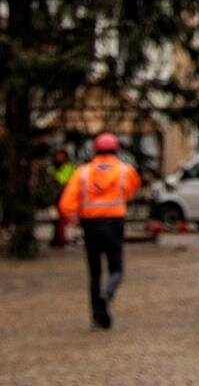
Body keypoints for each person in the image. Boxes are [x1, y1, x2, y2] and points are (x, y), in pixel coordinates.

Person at [58, 132, 141, 330]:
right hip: (114, 223)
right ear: (116, 149)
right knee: (116, 269)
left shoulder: (83, 172)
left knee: (94, 272)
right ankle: (108, 293)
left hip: (90, 225)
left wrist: (72, 215)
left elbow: (66, 202)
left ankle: (97, 316)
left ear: (96, 150)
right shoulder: (125, 170)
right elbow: (131, 189)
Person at [48, 147, 77, 249]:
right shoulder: (50, 169)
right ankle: (56, 238)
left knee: (62, 221)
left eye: (61, 156)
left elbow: (73, 181)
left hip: (65, 196)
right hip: (53, 197)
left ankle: (61, 240)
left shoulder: (70, 167)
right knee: (54, 219)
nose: (59, 158)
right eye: (58, 156)